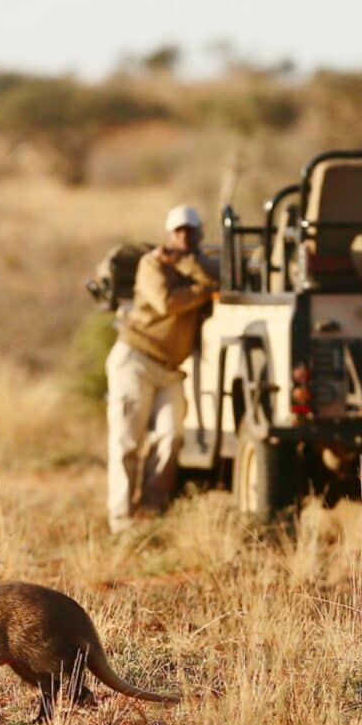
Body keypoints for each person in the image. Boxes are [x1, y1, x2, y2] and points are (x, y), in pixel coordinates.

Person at [106, 205, 218, 534]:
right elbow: (167, 302)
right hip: (136, 358)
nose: (184, 237)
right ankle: (122, 520)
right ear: (170, 234)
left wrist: (191, 270)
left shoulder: (195, 264)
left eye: (190, 231)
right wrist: (203, 290)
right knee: (127, 440)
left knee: (171, 437)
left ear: (199, 234)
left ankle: (152, 511)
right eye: (179, 231)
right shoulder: (152, 263)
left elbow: (218, 278)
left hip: (170, 368)